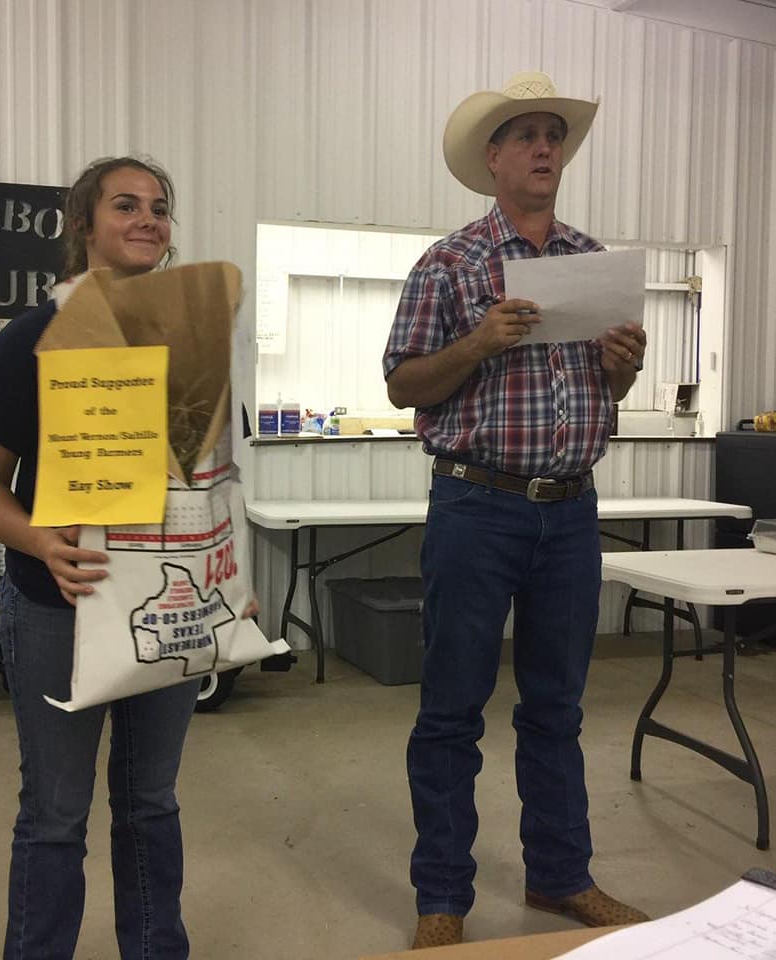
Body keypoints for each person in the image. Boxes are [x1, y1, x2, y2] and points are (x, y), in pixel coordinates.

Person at [382, 73, 650, 950]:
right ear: (492, 159)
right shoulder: (450, 264)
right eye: (526, 136)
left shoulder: (592, 262)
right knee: (453, 709)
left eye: (554, 135)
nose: (544, 148)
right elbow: (401, 383)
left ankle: (560, 878)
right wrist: (478, 340)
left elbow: (602, 394)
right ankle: (442, 897)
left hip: (570, 512)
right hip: (477, 506)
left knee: (557, 710)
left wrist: (621, 367)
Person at [0, 157, 200, 960]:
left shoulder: (192, 346)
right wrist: (39, 542)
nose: (148, 219)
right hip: (57, 606)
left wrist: (225, 581)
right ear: (84, 225)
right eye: (125, 205)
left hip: (163, 608)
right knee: (56, 815)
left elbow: (211, 479)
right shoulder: (34, 338)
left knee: (151, 805)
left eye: (160, 208)